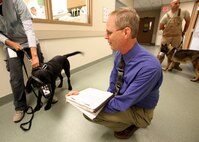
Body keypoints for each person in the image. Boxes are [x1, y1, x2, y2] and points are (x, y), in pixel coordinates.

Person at [66, 7, 163, 139]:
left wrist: (87, 104)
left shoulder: (149, 67)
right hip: (127, 99)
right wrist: (81, 96)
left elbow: (122, 103)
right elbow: (112, 87)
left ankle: (132, 123)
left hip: (140, 111)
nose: (105, 37)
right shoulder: (120, 55)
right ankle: (123, 120)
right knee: (90, 111)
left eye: (109, 32)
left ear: (126, 32)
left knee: (91, 115)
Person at [0, 0, 47, 123]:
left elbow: (29, 29)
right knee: (15, 77)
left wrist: (35, 55)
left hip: (28, 41)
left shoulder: (16, 2)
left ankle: (47, 93)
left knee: (40, 70)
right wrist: (10, 43)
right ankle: (20, 107)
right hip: (11, 45)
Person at [157, 0, 191, 71]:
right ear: (171, 5)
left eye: (179, 3)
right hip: (166, 37)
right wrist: (166, 31)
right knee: (162, 50)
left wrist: (184, 31)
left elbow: (188, 21)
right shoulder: (166, 15)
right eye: (176, 3)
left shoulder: (183, 12)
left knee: (176, 51)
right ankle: (157, 64)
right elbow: (161, 26)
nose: (178, 4)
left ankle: (174, 65)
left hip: (177, 37)